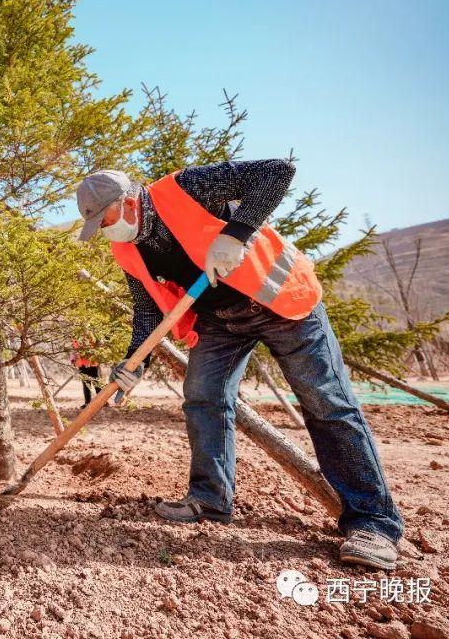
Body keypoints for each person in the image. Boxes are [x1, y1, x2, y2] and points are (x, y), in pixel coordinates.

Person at [75, 160, 403, 571]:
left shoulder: (186, 188)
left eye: (104, 219)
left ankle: (373, 522)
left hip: (280, 301)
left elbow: (278, 173)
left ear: (126, 201)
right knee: (202, 397)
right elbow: (146, 315)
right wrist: (132, 364)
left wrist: (235, 234)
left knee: (326, 402)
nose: (106, 230)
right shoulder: (127, 249)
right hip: (220, 321)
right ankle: (210, 499)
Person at [70, 336, 101, 409]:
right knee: (86, 384)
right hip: (82, 364)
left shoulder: (92, 336)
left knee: (96, 383)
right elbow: (74, 350)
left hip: (92, 363)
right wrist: (73, 360)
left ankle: (102, 401)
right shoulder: (75, 338)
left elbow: (98, 346)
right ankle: (87, 402)